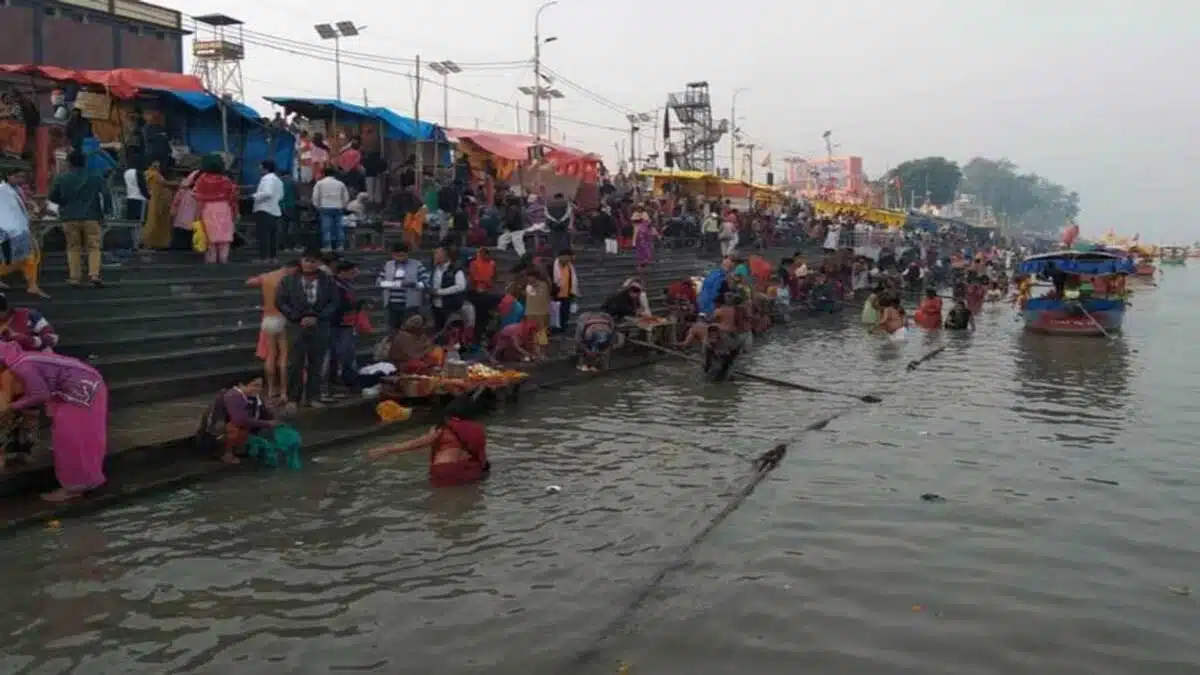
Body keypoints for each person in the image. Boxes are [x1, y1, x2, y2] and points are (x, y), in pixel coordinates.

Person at [0, 340, 108, 502]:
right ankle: (88, 481)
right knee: (84, 438)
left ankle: (73, 488)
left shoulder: (22, 366)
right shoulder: (24, 358)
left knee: (71, 440)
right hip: (88, 385)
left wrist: (11, 407)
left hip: (82, 390)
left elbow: (39, 394)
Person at [367, 399, 490, 487]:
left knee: (442, 513)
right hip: (470, 472)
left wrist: (387, 450)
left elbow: (418, 443)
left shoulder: (442, 428)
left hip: (445, 471)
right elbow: (480, 455)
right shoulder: (478, 429)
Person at [276, 250, 339, 407]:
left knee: (316, 363)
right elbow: (281, 302)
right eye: (307, 260)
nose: (310, 264)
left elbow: (334, 303)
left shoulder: (329, 281)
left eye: (313, 261)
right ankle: (293, 398)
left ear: (319, 263)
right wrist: (298, 317)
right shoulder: (288, 281)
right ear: (301, 261)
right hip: (296, 325)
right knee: (295, 363)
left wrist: (318, 317)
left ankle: (313, 396)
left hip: (320, 325)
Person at [48, 150, 107, 286]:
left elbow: (53, 197)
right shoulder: (95, 176)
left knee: (73, 247)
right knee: (94, 247)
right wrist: (105, 213)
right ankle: (94, 275)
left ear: (69, 162)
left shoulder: (61, 178)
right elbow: (106, 195)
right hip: (92, 216)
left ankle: (75, 277)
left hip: (69, 217)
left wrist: (65, 204)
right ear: (85, 162)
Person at [247, 260, 299, 404]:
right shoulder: (287, 279)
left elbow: (249, 282)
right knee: (283, 357)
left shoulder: (267, 276)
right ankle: (283, 391)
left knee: (270, 355)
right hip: (282, 317)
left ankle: (270, 389)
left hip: (267, 318)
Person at [197, 376, 277, 465]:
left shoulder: (253, 396)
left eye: (260, 386)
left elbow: (264, 413)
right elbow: (239, 420)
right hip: (213, 436)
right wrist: (268, 424)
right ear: (241, 385)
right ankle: (225, 453)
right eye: (255, 385)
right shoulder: (233, 395)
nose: (258, 389)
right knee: (236, 427)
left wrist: (274, 420)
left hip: (228, 430)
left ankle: (239, 448)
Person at [0, 168, 42, 297]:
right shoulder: (3, 190)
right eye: (17, 177)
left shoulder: (15, 190)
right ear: (9, 175)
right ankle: (32, 285)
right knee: (22, 258)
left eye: (22, 177)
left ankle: (32, 285)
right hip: (9, 230)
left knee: (29, 257)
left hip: (18, 229)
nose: (20, 180)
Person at [190, 154, 238, 264]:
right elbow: (233, 198)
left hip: (207, 209)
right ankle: (223, 260)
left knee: (210, 238)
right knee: (224, 239)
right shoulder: (226, 180)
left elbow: (197, 197)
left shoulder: (202, 179)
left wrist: (196, 216)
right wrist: (235, 213)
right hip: (224, 209)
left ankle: (211, 261)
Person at [378, 242, 428, 330]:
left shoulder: (417, 265)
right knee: (393, 330)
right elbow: (379, 282)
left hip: (410, 305)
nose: (400, 258)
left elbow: (426, 282)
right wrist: (394, 284)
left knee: (410, 330)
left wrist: (414, 285)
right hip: (392, 304)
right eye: (397, 256)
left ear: (407, 254)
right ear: (393, 254)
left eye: (403, 255)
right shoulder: (388, 265)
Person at [252, 159, 285, 262]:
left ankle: (264, 257)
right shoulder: (278, 180)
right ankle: (273, 257)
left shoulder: (266, 179)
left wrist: (253, 196)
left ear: (265, 168)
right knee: (272, 236)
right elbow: (281, 196)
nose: (259, 169)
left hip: (264, 209)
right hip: (274, 209)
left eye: (261, 167)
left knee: (264, 235)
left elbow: (267, 193)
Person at [430, 246, 467, 331]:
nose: (435, 256)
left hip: (450, 305)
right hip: (435, 305)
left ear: (446, 255)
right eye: (435, 254)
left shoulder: (456, 269)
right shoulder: (434, 268)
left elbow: (461, 286)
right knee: (438, 329)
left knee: (450, 331)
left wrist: (441, 292)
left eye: (438, 254)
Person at [312, 167, 350, 251]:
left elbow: (315, 197)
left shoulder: (320, 183)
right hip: (338, 207)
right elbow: (346, 197)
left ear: (324, 174)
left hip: (325, 207)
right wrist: (343, 206)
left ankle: (327, 246)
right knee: (339, 227)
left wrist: (317, 206)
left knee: (326, 227)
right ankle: (340, 246)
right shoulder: (340, 183)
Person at [141, 160, 174, 250]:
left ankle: (151, 242)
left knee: (153, 222)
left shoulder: (147, 173)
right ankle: (154, 242)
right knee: (156, 222)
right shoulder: (155, 175)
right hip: (157, 200)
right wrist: (179, 183)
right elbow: (164, 183)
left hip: (154, 200)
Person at [551, 248, 579, 334]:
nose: (567, 259)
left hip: (567, 294)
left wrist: (574, 292)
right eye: (566, 257)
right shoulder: (552, 266)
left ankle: (563, 331)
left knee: (565, 314)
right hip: (555, 294)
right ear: (560, 256)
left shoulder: (570, 266)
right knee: (555, 315)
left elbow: (573, 280)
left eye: (568, 257)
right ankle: (555, 331)